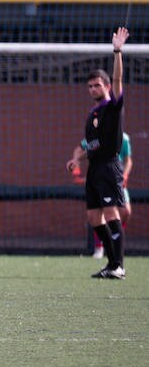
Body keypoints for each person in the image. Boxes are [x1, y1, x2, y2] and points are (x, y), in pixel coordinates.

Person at [66, 26, 128, 279]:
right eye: (90, 86)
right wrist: (77, 157)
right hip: (94, 169)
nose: (93, 89)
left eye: (97, 85)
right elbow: (89, 143)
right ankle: (111, 263)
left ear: (106, 86)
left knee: (111, 212)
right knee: (93, 217)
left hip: (109, 167)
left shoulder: (112, 106)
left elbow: (118, 80)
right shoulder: (93, 114)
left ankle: (119, 265)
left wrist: (117, 51)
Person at [72, 131, 132, 259]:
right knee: (97, 215)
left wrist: (125, 175)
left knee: (125, 211)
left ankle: (117, 248)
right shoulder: (95, 138)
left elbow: (128, 160)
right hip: (100, 178)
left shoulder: (123, 138)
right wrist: (76, 163)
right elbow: (84, 149)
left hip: (115, 178)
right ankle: (101, 248)